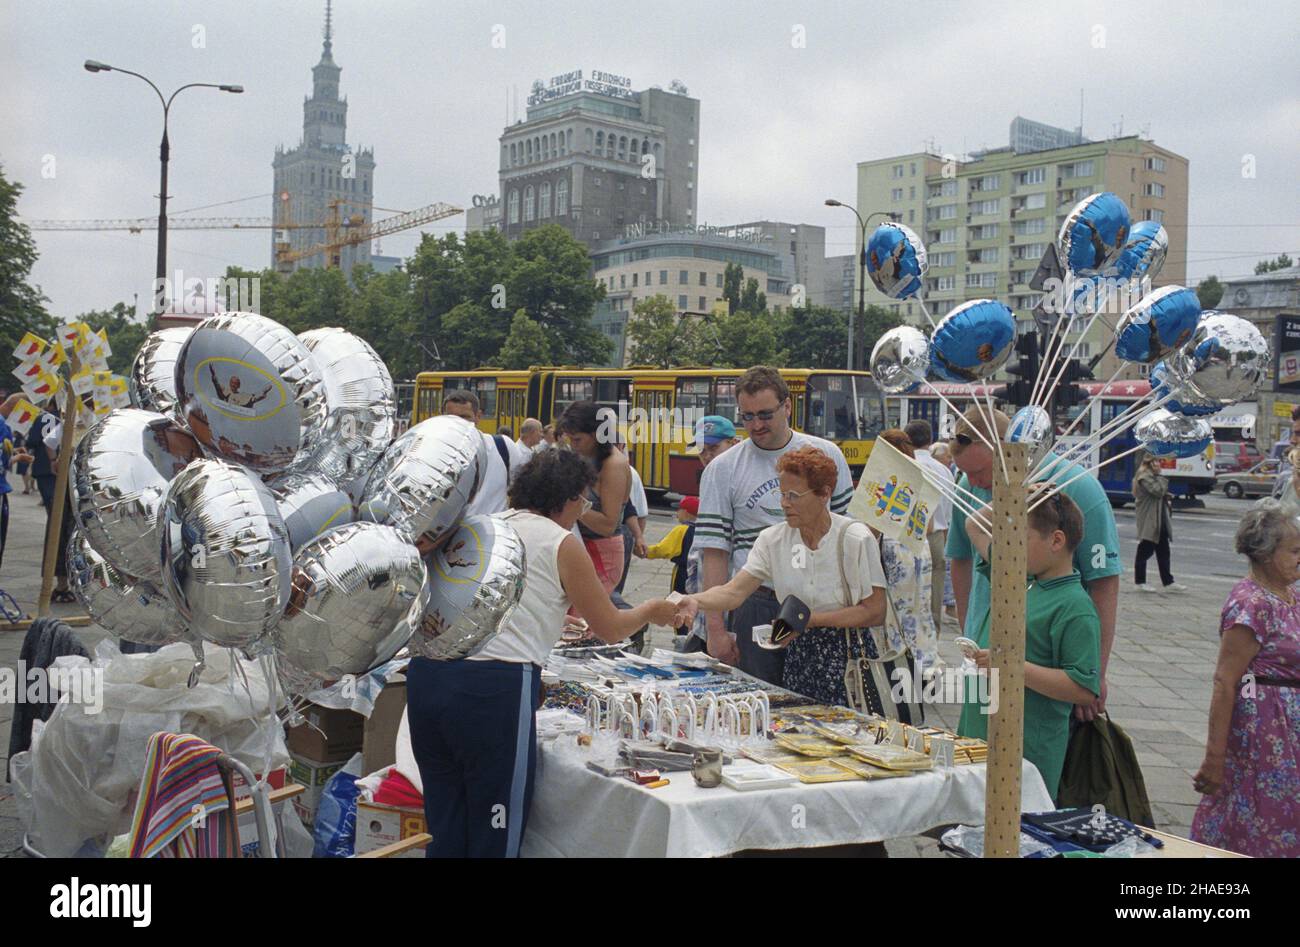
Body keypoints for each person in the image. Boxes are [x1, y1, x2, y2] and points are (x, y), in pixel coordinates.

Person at [406, 450, 678, 858]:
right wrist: (653, 610)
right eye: (583, 501)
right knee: (495, 827)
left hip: (428, 677)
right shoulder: (560, 541)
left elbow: (486, 600)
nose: (582, 511)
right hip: (491, 688)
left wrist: (548, 616)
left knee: (445, 822)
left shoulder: (482, 525)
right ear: (568, 498)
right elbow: (610, 627)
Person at [946, 405, 1119, 722]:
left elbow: (1104, 582)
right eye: (965, 472)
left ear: (1009, 450)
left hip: (1047, 656)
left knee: (1036, 749)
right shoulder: (968, 487)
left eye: (981, 472)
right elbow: (960, 560)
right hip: (986, 653)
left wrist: (1097, 671)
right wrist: (969, 629)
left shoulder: (1077, 485)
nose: (973, 481)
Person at [676, 446, 887, 706]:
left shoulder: (854, 538)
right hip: (798, 656)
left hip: (850, 661)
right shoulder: (773, 539)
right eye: (782, 494)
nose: (785, 503)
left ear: (824, 494)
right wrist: (695, 600)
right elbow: (734, 592)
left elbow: (875, 611)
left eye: (794, 496)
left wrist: (809, 622)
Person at [695, 367, 854, 685]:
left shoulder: (827, 455)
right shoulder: (722, 469)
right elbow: (714, 554)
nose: (756, 425)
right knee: (758, 700)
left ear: (787, 406)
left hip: (820, 602)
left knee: (817, 705)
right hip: (757, 601)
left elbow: (847, 536)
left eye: (765, 415)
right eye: (747, 416)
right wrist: (715, 630)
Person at [958, 489, 1102, 799]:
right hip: (979, 736)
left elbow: (1082, 687)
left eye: (1019, 536)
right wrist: (1018, 495)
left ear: (1057, 541)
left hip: (1026, 752)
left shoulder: (1074, 605)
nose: (1009, 544)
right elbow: (973, 524)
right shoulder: (1017, 576)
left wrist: (1012, 668)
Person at [1188, 501, 1300, 857]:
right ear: (1267, 554)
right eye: (1294, 550)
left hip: (1290, 729)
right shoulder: (1251, 604)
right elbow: (1225, 681)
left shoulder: (1291, 595)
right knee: (1256, 814)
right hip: (1264, 732)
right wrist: (1214, 758)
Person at [876, 429, 941, 672]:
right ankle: (923, 663)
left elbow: (874, 526)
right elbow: (931, 525)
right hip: (919, 549)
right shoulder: (923, 478)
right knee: (919, 610)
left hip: (893, 550)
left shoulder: (888, 480)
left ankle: (898, 664)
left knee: (895, 612)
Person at [557, 401, 632, 595]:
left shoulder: (613, 465)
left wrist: (571, 501)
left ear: (595, 435)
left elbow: (608, 525)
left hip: (602, 553)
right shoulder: (586, 455)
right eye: (570, 440)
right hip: (582, 547)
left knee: (583, 621)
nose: (573, 445)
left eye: (577, 439)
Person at [442, 390, 530, 517]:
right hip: (454, 535)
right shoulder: (436, 454)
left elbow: (523, 491)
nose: (458, 423)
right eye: (451, 418)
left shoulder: (503, 446)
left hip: (494, 533)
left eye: (464, 417)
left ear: (478, 416)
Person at [905, 419, 955, 633]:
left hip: (906, 535)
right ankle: (933, 633)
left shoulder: (904, 464)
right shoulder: (943, 470)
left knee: (907, 586)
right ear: (930, 439)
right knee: (935, 589)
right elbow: (950, 506)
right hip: (937, 537)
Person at [31, 404, 74, 602]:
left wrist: (54, 460)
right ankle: (63, 583)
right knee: (62, 528)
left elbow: (49, 443)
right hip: (72, 482)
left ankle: (65, 583)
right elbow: (50, 443)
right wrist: (56, 460)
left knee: (66, 530)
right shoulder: (73, 420)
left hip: (75, 482)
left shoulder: (77, 419)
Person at [1132, 453, 1185, 593]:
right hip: (1151, 520)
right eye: (1157, 462)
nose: (1159, 465)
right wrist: (1161, 478)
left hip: (1158, 520)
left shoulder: (1151, 477)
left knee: (1163, 551)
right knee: (1145, 549)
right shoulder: (1144, 477)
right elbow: (1158, 491)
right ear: (1150, 463)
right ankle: (1140, 581)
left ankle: (1168, 582)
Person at [647, 496, 698, 639]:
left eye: (679, 509)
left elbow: (663, 549)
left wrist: (646, 552)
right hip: (698, 573)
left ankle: (680, 634)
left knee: (678, 603)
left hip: (682, 572)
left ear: (687, 512)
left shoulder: (681, 530)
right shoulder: (702, 530)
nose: (677, 513)